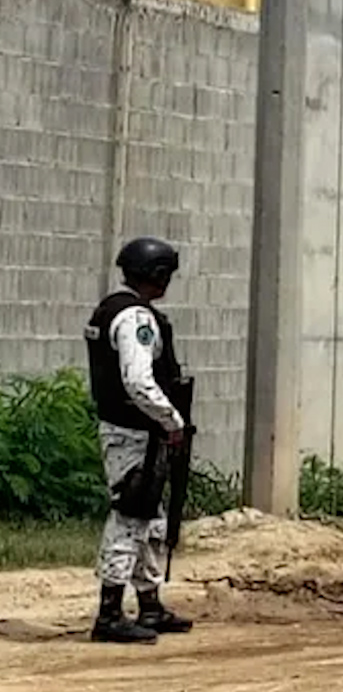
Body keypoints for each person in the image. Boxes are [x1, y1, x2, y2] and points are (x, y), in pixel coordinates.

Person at [83, 237, 193, 644]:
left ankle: (149, 604)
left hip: (130, 430)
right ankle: (109, 613)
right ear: (158, 275)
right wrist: (171, 420)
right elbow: (138, 380)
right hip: (135, 433)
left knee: (149, 516)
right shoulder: (136, 319)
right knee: (129, 516)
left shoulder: (113, 308)